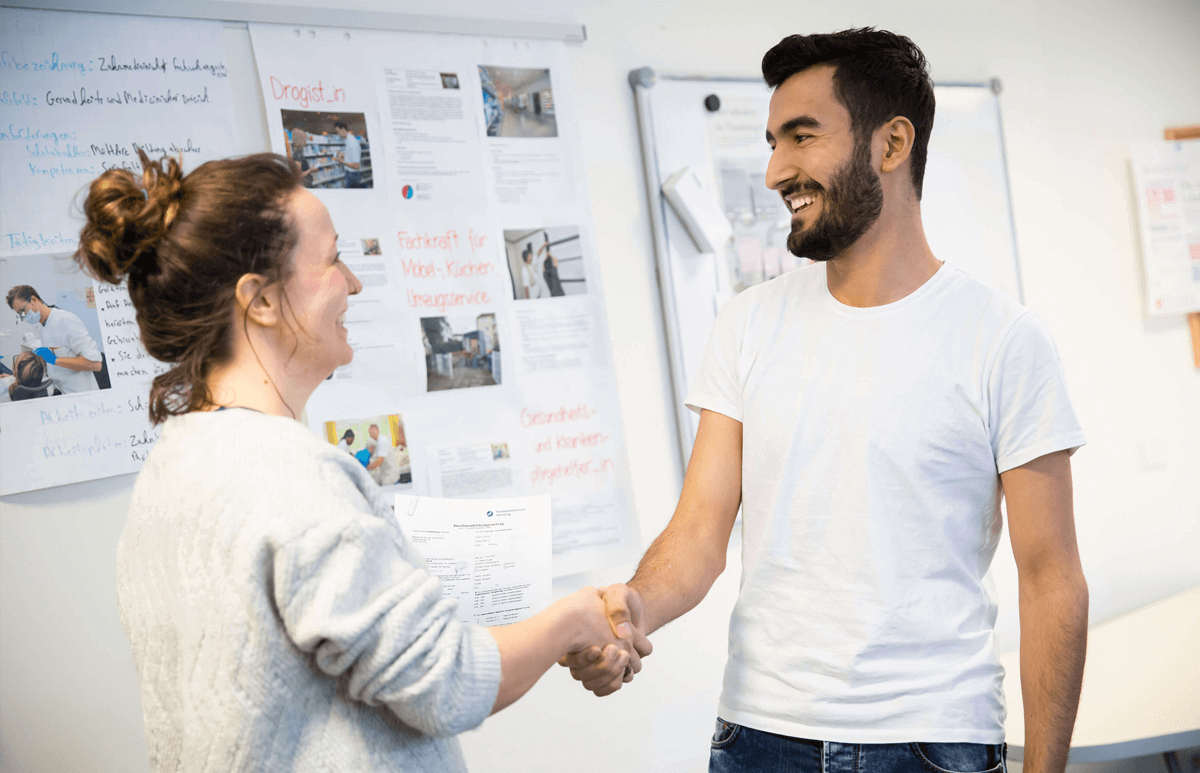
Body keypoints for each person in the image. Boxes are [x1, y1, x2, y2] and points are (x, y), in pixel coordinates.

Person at [562, 28, 1088, 773]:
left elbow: (1051, 577)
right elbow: (700, 533)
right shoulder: (748, 323)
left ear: (892, 143)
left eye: (801, 137)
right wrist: (633, 610)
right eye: (773, 142)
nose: (776, 170)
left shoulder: (1003, 339)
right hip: (758, 735)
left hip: (932, 741)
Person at [75, 149, 637, 772]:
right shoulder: (290, 473)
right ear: (260, 301)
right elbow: (448, 684)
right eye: (333, 260)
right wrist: (573, 618)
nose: (354, 282)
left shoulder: (173, 464)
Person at [6, 284, 103, 393]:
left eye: (23, 310)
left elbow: (95, 364)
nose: (23, 316)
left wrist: (54, 360)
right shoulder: (44, 327)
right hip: (63, 392)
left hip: (82, 393)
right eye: (20, 314)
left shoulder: (66, 320)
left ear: (33, 300)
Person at [334, 120, 363, 188]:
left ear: (343, 129)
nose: (338, 134)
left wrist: (343, 161)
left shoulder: (353, 142)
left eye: (338, 131)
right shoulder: (347, 140)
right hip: (348, 172)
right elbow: (350, 154)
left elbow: (356, 166)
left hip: (353, 175)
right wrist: (342, 154)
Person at [537, 232, 565, 297]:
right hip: (560, 294)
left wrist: (545, 259)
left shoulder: (545, 276)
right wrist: (550, 255)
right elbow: (556, 260)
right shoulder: (553, 272)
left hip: (553, 296)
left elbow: (543, 267)